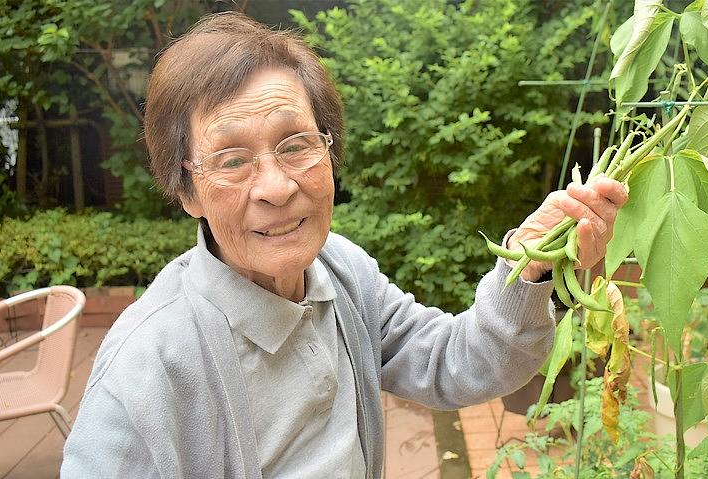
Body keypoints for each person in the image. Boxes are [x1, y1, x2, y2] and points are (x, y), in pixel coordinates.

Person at [61, 12, 627, 479]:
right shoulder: (147, 371)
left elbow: (454, 363)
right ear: (187, 190)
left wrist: (529, 267)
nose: (278, 187)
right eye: (232, 160)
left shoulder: (341, 271)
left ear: (328, 153)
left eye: (295, 144)